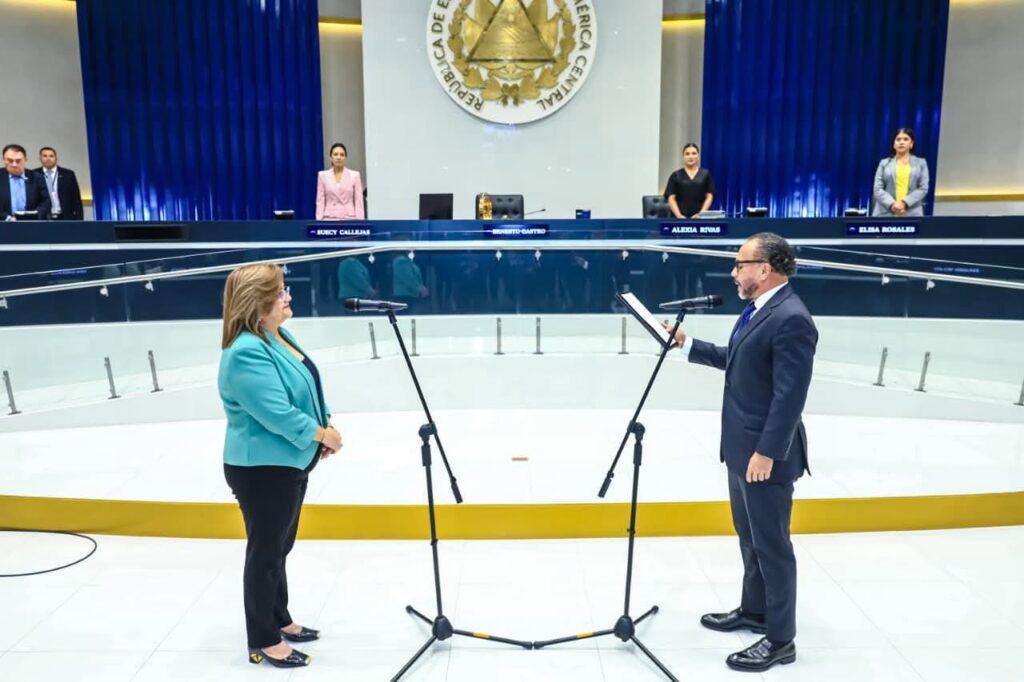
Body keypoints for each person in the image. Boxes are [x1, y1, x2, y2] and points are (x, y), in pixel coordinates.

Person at [666, 232, 816, 673]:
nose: (734, 273)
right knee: (749, 538)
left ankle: (781, 640)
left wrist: (766, 452)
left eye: (740, 264)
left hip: (765, 456)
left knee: (772, 546)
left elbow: (790, 397)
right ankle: (755, 611)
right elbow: (736, 359)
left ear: (764, 269)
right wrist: (687, 344)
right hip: (740, 449)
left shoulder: (792, 319)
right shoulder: (758, 310)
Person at [218, 263, 344, 668]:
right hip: (261, 469)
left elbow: (308, 385)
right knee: (266, 553)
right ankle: (264, 638)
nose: (288, 296)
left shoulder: (276, 335)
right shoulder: (245, 352)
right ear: (256, 303)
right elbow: (276, 413)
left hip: (286, 462)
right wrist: (320, 435)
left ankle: (280, 618)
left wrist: (323, 426)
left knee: (279, 548)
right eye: (279, 292)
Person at [872, 128, 930, 217]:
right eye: (898, 139)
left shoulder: (921, 163)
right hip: (885, 213)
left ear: (911, 144)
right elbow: (877, 188)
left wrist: (904, 203)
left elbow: (923, 188)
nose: (901, 142)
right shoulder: (884, 163)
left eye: (906, 139)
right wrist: (892, 205)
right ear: (894, 144)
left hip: (911, 213)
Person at [663, 143, 716, 218]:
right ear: (683, 157)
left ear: (698, 156)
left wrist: (701, 214)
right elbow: (671, 198)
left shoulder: (706, 174)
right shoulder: (675, 175)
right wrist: (679, 215)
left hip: (701, 219)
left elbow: (709, 196)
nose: (690, 156)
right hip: (679, 219)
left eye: (694, 153)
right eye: (687, 154)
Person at [0, 144, 50, 221]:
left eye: (18, 161)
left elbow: (46, 202)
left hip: (32, 224)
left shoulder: (37, 178)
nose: (14, 164)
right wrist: (8, 218)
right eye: (10, 160)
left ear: (25, 159)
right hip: (3, 223)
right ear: (4, 160)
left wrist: (35, 216)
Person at [315, 142, 364, 220]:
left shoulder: (355, 175)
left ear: (345, 157)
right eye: (335, 154)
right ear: (331, 157)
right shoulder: (322, 176)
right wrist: (319, 221)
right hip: (329, 218)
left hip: (349, 219)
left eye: (342, 155)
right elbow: (320, 201)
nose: (338, 157)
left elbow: (359, 202)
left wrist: (360, 222)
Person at [34, 147, 84, 220]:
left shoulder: (68, 174)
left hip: (65, 216)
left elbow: (76, 198)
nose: (48, 158)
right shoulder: (34, 174)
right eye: (45, 156)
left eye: (51, 156)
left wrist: (79, 219)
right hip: (42, 217)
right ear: (40, 158)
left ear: (56, 158)